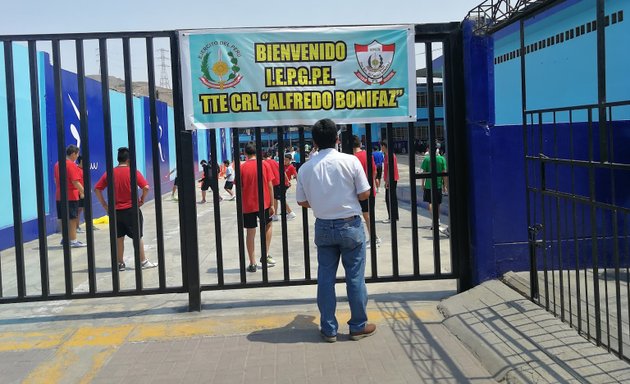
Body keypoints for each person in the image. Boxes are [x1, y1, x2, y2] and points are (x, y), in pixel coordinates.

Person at [296, 118, 376, 343]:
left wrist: (322, 203)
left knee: (325, 278)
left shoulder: (305, 167)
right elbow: (365, 194)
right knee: (355, 278)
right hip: (350, 224)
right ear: (337, 139)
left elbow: (302, 201)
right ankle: (358, 326)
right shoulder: (350, 161)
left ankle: (329, 328)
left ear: (314, 141)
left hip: (323, 225)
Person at [94, 147, 158, 271]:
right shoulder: (133, 172)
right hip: (131, 210)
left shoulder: (110, 172)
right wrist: (142, 200)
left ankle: (120, 263)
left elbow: (97, 189)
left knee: (119, 238)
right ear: (129, 159)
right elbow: (146, 187)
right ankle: (143, 261)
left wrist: (105, 205)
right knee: (137, 237)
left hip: (115, 211)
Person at [240, 142, 276, 272]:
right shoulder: (264, 164)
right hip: (264, 203)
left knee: (250, 232)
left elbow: (239, 187)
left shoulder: (242, 168)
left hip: (248, 205)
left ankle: (252, 263)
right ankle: (265, 254)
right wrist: (272, 204)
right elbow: (270, 185)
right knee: (268, 225)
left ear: (245, 153)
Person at [54, 144, 86, 247]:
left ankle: (65, 239)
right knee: (72, 219)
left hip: (59, 195)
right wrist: (83, 192)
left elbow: (55, 180)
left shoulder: (57, 164)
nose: (77, 157)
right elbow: (75, 182)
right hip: (71, 196)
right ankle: (73, 240)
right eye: (77, 154)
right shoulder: (71, 165)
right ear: (73, 154)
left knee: (63, 218)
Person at [352, 136, 380, 248]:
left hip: (359, 191)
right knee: (368, 214)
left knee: (365, 215)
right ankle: (373, 236)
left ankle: (374, 238)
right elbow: (374, 171)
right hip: (369, 189)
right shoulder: (368, 154)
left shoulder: (353, 158)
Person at [421, 144, 448, 234]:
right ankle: (438, 219)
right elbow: (444, 173)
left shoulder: (427, 159)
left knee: (430, 203)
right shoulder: (442, 159)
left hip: (429, 185)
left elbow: (424, 173)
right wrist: (445, 185)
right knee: (438, 203)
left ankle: (434, 220)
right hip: (439, 185)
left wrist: (422, 184)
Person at [381, 141, 399, 223]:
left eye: (381, 146)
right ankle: (395, 216)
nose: (381, 148)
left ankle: (391, 217)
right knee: (392, 198)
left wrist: (387, 181)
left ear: (385, 146)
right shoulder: (390, 155)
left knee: (389, 199)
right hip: (393, 179)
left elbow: (389, 170)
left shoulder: (389, 155)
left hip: (391, 180)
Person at [76, 155, 86, 233]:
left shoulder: (83, 170)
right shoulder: (77, 170)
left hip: (83, 192)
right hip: (79, 193)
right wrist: (81, 193)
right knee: (78, 210)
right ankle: (76, 227)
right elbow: (77, 182)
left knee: (80, 209)